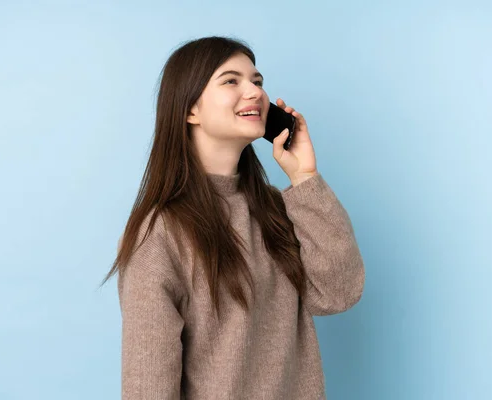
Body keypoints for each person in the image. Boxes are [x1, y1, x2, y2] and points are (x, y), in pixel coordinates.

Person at [100, 35, 365, 400]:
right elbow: (148, 387)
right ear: (190, 109)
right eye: (231, 80)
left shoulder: (278, 210)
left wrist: (305, 177)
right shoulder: (160, 233)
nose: (255, 91)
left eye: (257, 81)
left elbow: (338, 294)